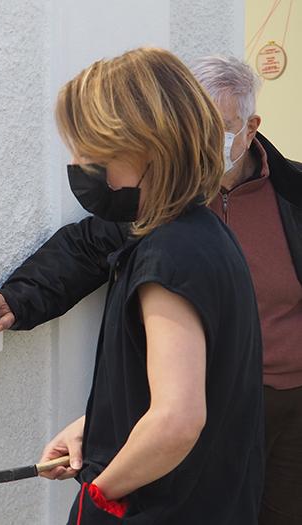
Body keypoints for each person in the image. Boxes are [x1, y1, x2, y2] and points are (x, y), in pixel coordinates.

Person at [0, 48, 264, 524]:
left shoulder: (169, 255)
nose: (78, 163)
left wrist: (100, 493)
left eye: (89, 149)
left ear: (145, 146)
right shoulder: (199, 234)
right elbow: (181, 384)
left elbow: (177, 420)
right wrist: (100, 428)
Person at [191, 55, 302, 525]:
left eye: (219, 128)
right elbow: (88, 245)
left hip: (293, 403)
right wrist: (19, 297)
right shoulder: (168, 194)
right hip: (216, 401)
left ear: (251, 127)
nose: (204, 143)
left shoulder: (293, 189)